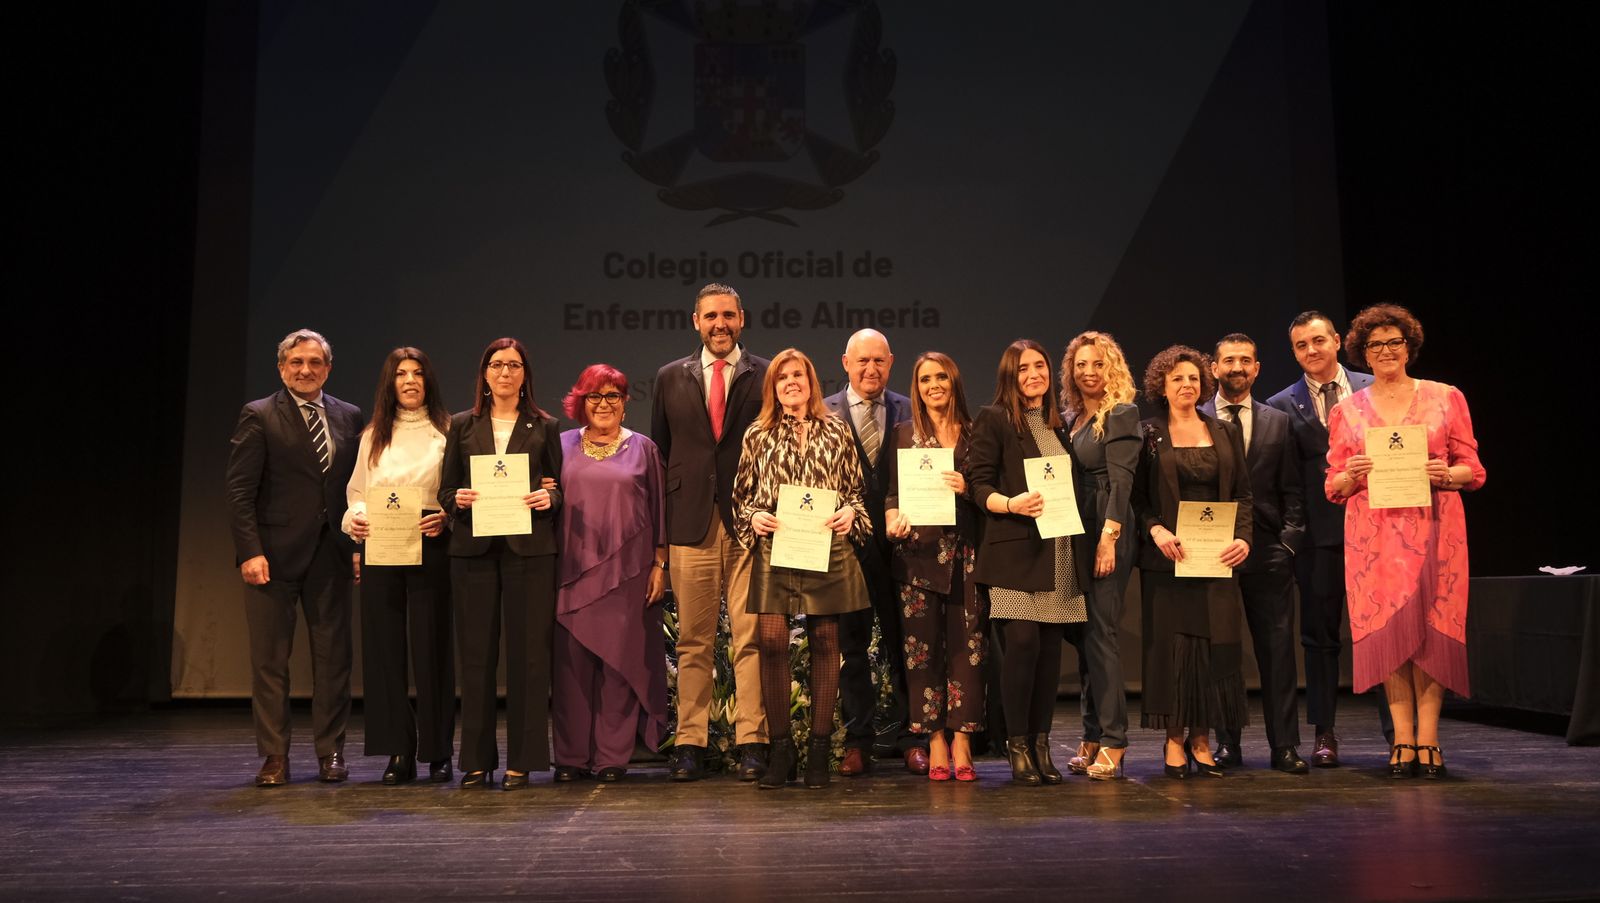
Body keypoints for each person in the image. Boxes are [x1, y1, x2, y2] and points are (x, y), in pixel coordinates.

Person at [1324, 304, 1483, 778]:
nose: (1386, 351)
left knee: (1431, 634)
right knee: (1391, 633)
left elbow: (1473, 469)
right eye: (1375, 345)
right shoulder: (1346, 410)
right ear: (1363, 353)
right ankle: (1402, 739)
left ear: (1409, 346)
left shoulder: (1445, 397)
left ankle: (1429, 739)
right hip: (1374, 539)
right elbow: (1333, 484)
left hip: (1436, 530)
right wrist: (1351, 474)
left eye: (1394, 342)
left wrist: (1445, 473)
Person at [226, 328, 364, 786]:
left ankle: (331, 752)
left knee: (334, 660)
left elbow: (356, 488)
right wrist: (250, 552)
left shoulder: (349, 415)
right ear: (282, 367)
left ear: (328, 368)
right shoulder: (260, 415)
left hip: (332, 554)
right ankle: (274, 757)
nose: (306, 370)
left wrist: (357, 547)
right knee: (270, 661)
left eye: (314, 362)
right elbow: (240, 492)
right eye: (296, 362)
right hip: (273, 557)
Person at [732, 348, 872, 789]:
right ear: (772, 387)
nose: (791, 382)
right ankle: (781, 750)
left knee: (826, 641)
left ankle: (817, 751)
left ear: (811, 382)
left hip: (824, 548)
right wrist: (754, 516)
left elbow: (855, 492)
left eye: (798, 375)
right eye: (782, 377)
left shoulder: (837, 430)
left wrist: (850, 513)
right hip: (776, 549)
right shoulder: (757, 434)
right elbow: (742, 497)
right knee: (772, 641)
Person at [650, 283, 770, 781]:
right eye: (711, 316)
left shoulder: (765, 373)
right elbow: (660, 454)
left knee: (750, 637)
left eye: (728, 315)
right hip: (689, 521)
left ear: (741, 319)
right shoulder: (669, 377)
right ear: (695, 321)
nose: (720, 324)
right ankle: (690, 743)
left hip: (748, 522)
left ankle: (753, 741)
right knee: (692, 641)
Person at [439, 337, 563, 790]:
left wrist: (549, 499)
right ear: (485, 374)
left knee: (529, 658)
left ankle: (523, 761)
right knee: (476, 657)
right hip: (473, 551)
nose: (505, 372)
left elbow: (559, 489)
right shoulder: (461, 424)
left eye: (513, 365)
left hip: (530, 552)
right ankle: (476, 760)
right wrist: (457, 499)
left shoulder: (545, 426)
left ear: (525, 374)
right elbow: (446, 490)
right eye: (496, 365)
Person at [969, 339, 1090, 786]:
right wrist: (1010, 503)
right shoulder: (994, 419)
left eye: (1039, 366)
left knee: (1049, 656)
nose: (1033, 374)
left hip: (1059, 551)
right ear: (1009, 376)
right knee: (1021, 646)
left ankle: (1041, 745)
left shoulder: (1060, 425)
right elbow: (978, 484)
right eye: (1023, 369)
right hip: (1015, 552)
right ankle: (1017, 745)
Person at [1133, 345, 1251, 780]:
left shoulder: (1224, 431)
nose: (1187, 385)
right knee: (1173, 650)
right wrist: (1156, 531)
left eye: (1193, 378)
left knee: (1210, 649)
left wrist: (1243, 539)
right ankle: (1173, 740)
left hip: (1216, 558)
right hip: (1169, 558)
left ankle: (1202, 739)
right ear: (1161, 387)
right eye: (1177, 379)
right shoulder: (1148, 434)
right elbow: (1137, 498)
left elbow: (1243, 495)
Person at [1265, 311, 1377, 766]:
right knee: (1319, 637)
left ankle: (1399, 733)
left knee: (1381, 633)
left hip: (1379, 531)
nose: (1311, 351)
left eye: (1318, 341)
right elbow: (1283, 480)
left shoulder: (1375, 389)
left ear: (1337, 341)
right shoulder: (1279, 405)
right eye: (1301, 345)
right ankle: (1324, 732)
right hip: (1317, 536)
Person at [551, 365, 669, 783]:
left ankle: (611, 758)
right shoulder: (560, 445)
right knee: (571, 668)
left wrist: (660, 566)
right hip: (571, 571)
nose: (604, 404)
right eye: (595, 396)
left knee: (620, 665)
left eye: (613, 396)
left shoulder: (644, 449)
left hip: (629, 572)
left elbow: (660, 511)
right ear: (581, 402)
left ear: (625, 402)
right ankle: (571, 757)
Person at [342, 347, 454, 785]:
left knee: (432, 647)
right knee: (384, 649)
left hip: (430, 540)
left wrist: (446, 517)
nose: (409, 381)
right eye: (401, 374)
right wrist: (356, 518)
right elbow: (357, 491)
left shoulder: (447, 430)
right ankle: (398, 750)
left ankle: (438, 750)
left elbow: (457, 490)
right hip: (382, 543)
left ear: (429, 381)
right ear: (390, 383)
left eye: (417, 373)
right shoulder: (373, 434)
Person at [1200, 334, 1309, 773]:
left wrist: (1289, 541)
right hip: (1214, 547)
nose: (1237, 367)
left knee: (1278, 650)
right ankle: (1228, 743)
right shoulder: (1194, 418)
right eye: (1229, 360)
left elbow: (1293, 489)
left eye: (1245, 360)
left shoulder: (1278, 422)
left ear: (1257, 368)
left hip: (1267, 548)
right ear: (1214, 368)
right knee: (1223, 651)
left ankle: (1285, 746)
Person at [883, 352, 987, 782]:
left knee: (968, 649)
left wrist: (969, 487)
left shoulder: (978, 434)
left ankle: (962, 738)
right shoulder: (903, 434)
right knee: (921, 651)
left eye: (941, 376)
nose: (933, 385)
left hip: (967, 555)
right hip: (918, 556)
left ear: (954, 381)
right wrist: (892, 520)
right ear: (917, 387)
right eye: (925, 379)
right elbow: (893, 494)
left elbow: (992, 492)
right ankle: (935, 738)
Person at [823, 328, 917, 775]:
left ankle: (911, 737)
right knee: (852, 646)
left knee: (907, 643)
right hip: (849, 548)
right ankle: (856, 740)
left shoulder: (911, 410)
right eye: (862, 361)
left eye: (879, 360)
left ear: (891, 362)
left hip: (904, 545)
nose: (870, 369)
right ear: (846, 363)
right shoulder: (824, 413)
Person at [1058, 331, 1140, 780]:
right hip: (1078, 528)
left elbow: (1122, 481)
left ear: (1112, 368)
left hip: (1107, 526)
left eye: (1098, 364)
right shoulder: (1074, 417)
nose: (1089, 372)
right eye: (1081, 365)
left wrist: (1109, 537)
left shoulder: (1121, 413)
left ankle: (1114, 739)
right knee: (1084, 633)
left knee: (1101, 632)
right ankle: (1091, 733)